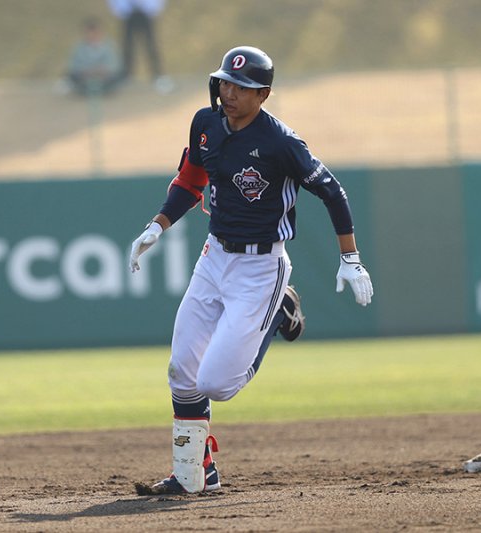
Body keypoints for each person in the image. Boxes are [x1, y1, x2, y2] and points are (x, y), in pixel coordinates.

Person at [129, 45, 374, 495]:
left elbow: (333, 192)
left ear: (263, 93)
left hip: (261, 267)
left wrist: (350, 257)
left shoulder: (281, 142)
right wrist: (157, 225)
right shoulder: (206, 123)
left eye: (241, 87)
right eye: (225, 82)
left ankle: (280, 311)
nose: (229, 92)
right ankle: (194, 474)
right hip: (214, 255)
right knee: (182, 372)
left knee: (216, 384)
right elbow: (190, 180)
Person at [106, 0, 174, 93]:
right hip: (127, 15)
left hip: (147, 14)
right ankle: (126, 75)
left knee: (151, 46)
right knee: (127, 46)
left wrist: (150, 9)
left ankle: (157, 74)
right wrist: (123, 10)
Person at [61, 17, 122, 96]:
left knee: (119, 76)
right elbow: (73, 66)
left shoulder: (109, 45)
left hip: (105, 78)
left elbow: (115, 65)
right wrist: (87, 72)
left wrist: (101, 71)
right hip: (84, 78)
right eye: (89, 33)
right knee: (71, 76)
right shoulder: (79, 47)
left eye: (95, 33)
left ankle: (105, 90)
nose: (92, 36)